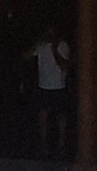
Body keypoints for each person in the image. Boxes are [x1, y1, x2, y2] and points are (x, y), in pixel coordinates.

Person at [29, 26, 71, 159]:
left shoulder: (63, 46)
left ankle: (61, 146)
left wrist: (54, 50)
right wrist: (36, 44)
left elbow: (64, 65)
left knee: (61, 117)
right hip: (44, 85)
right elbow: (26, 56)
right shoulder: (42, 46)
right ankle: (44, 145)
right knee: (43, 116)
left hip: (59, 86)